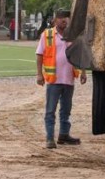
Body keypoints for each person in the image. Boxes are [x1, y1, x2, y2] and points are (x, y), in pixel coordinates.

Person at [35, 9, 86, 148]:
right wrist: (39, 74)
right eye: (61, 17)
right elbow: (39, 54)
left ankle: (64, 135)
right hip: (54, 80)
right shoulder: (47, 35)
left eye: (66, 18)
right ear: (55, 20)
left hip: (69, 79)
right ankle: (50, 138)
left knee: (66, 110)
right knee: (50, 110)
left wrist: (83, 72)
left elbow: (80, 55)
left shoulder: (73, 36)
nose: (64, 20)